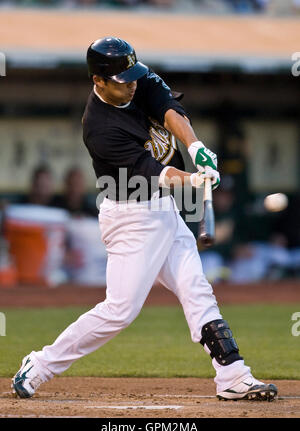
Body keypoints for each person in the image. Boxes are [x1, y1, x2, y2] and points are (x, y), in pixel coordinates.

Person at [12, 37, 277, 402]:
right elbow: (153, 172)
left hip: (163, 209)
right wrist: (193, 180)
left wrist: (196, 147)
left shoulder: (134, 79)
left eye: (133, 76)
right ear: (98, 81)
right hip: (131, 217)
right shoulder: (100, 128)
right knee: (120, 310)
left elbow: (167, 107)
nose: (132, 84)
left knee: (196, 289)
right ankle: (40, 364)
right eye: (122, 80)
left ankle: (232, 375)